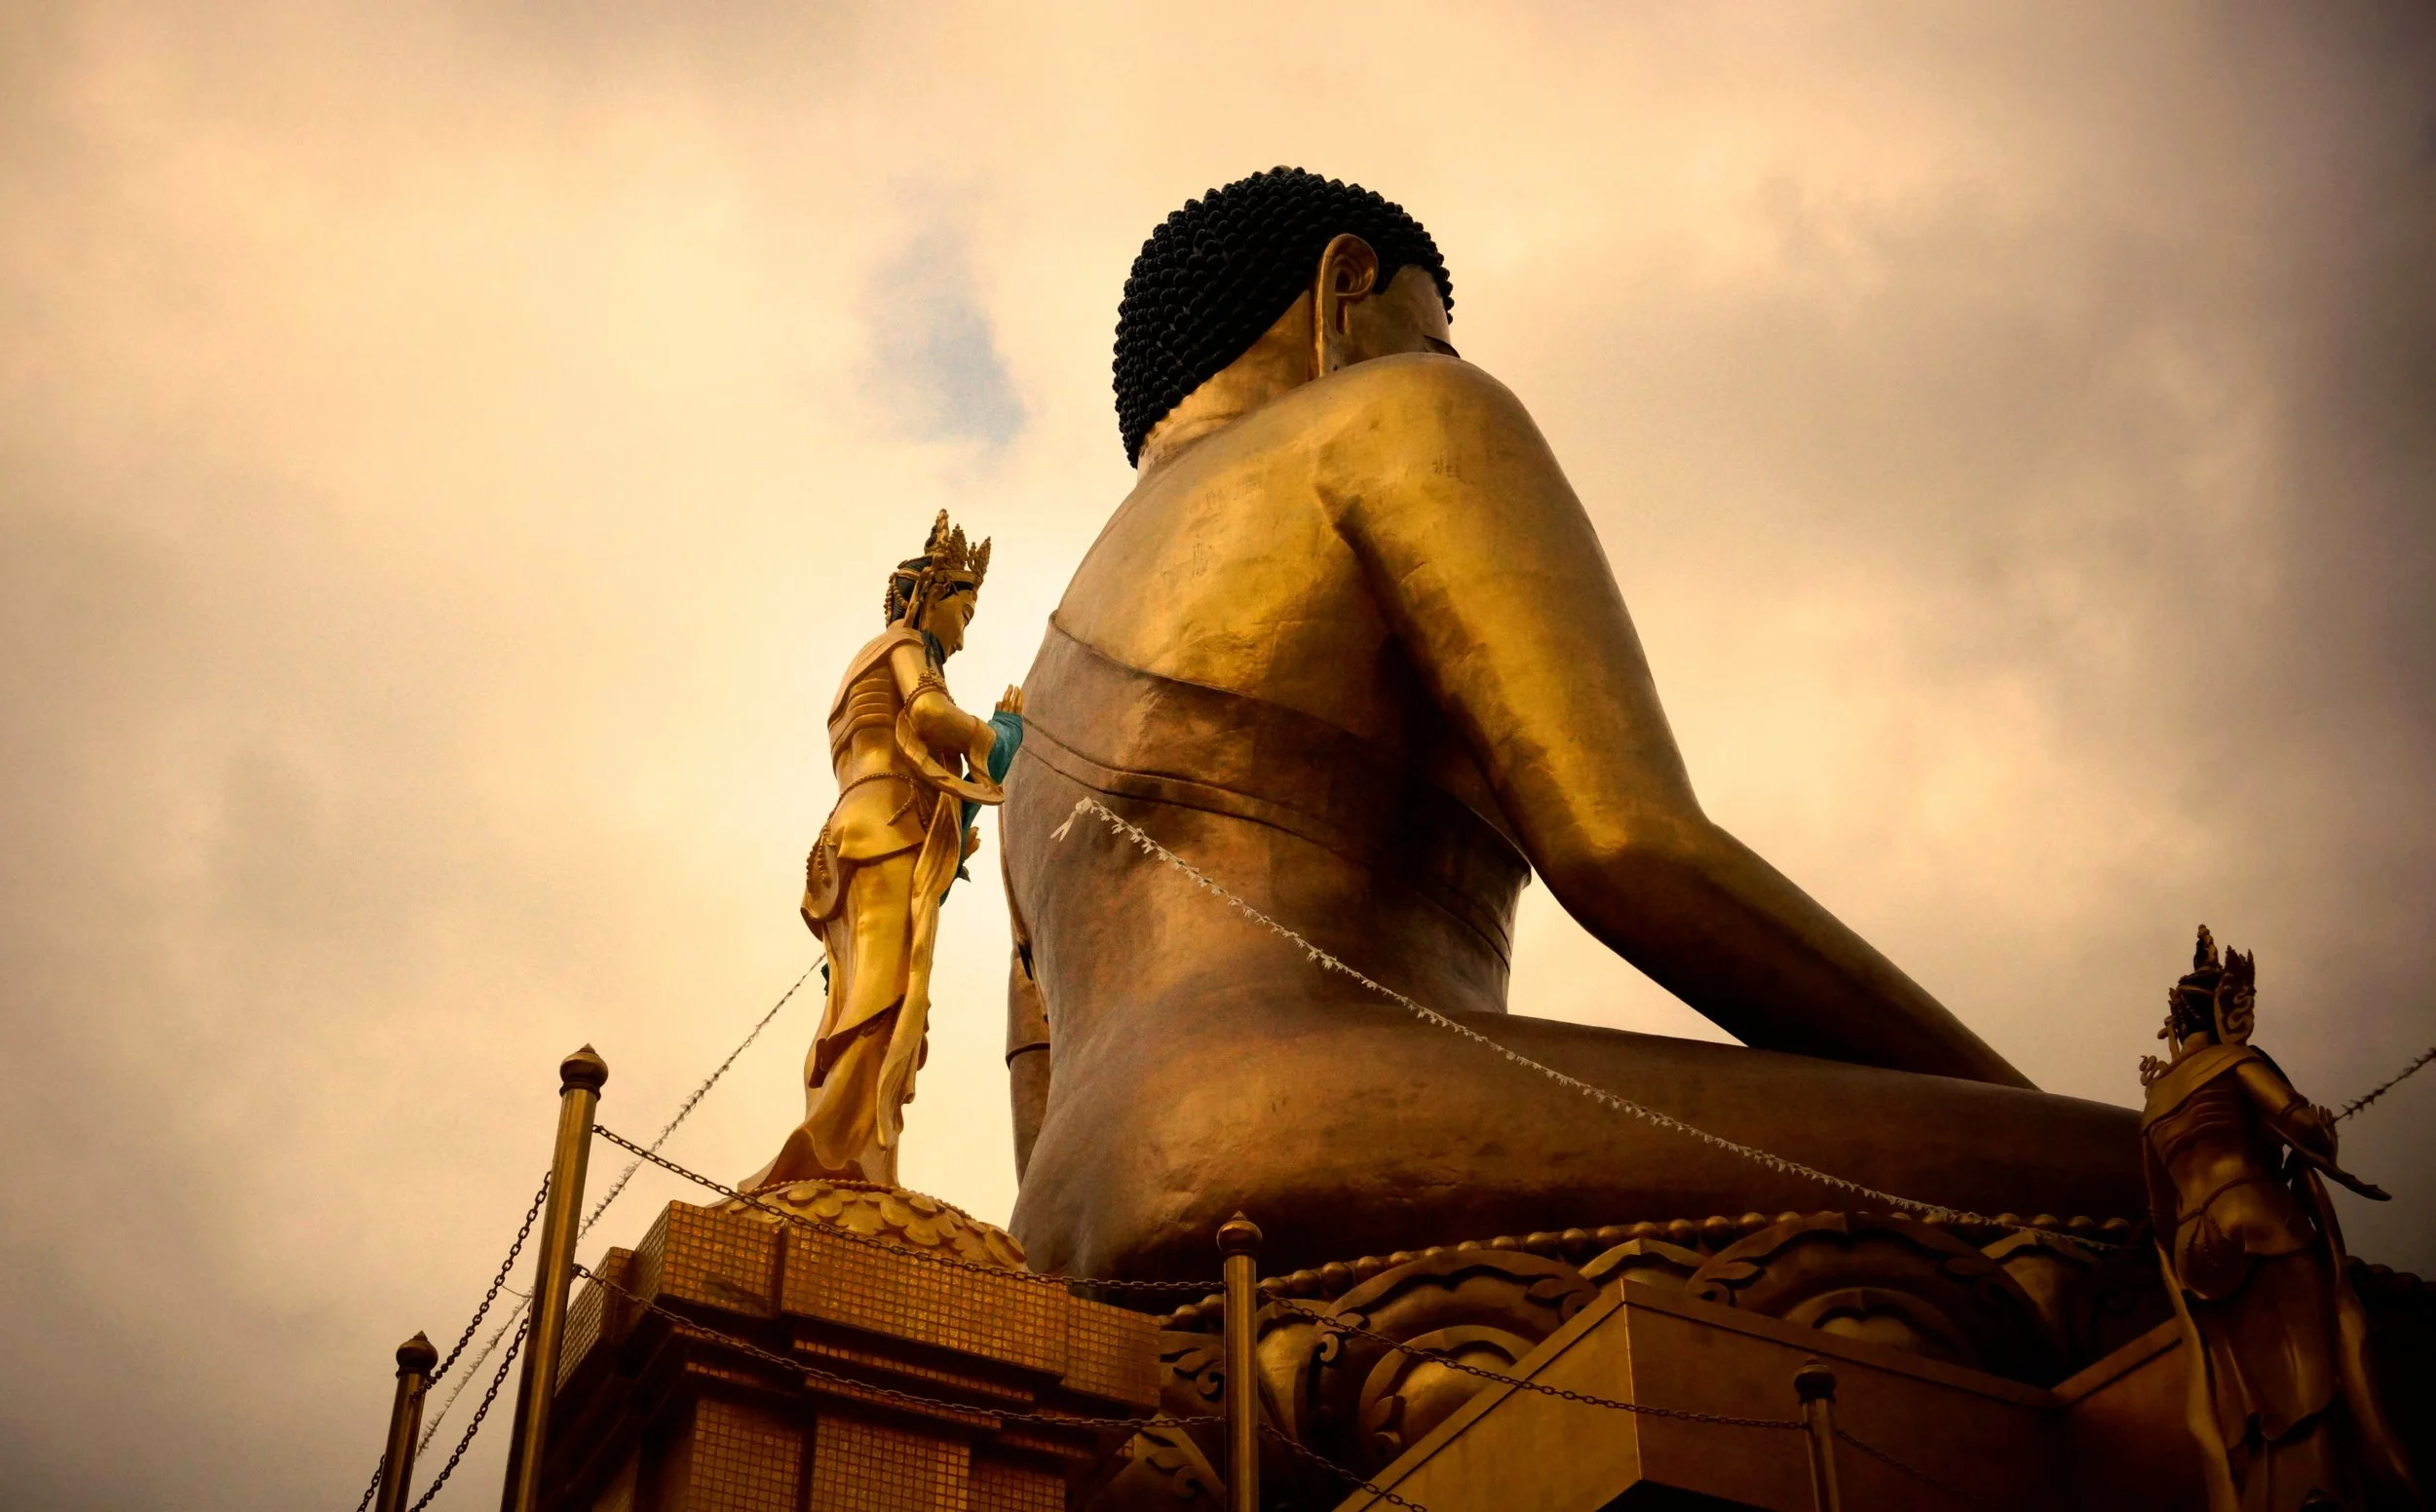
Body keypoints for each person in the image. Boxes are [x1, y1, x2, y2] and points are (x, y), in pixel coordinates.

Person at [999, 167, 2144, 1279]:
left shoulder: (1039, 687)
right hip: (1304, 1121)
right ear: (1346, 288)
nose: (1439, 364)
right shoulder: (1389, 416)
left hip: (1063, 1232)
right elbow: (1625, 846)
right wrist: (2025, 1115)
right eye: (1429, 334)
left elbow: (1036, 1085)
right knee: (2151, 1185)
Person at [748, 510, 1021, 1191]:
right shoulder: (901, 646)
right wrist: (999, 734)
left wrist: (952, 830)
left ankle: (862, 1156)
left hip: (855, 833)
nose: (966, 630)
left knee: (862, 994)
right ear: (932, 598)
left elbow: (909, 750)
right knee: (882, 991)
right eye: (966, 608)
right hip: (882, 827)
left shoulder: (867, 666)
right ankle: (829, 1150)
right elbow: (928, 720)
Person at [2141, 928, 2417, 1512]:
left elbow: (2158, 1212)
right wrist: (2322, 1133)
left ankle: (2264, 1496)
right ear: (2222, 1012)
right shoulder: (2233, 1061)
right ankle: (2319, 1489)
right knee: (2308, 1366)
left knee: (2245, 1388)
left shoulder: (2154, 1104)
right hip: (2255, 1213)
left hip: (2194, 1242)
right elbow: (2300, 1124)